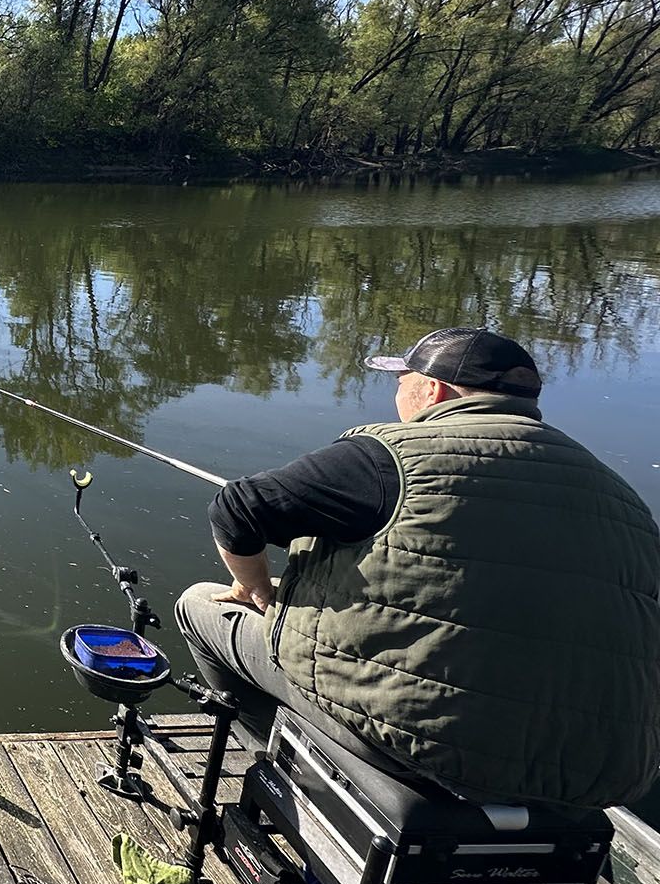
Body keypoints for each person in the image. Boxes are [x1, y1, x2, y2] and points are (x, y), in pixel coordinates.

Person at [175, 326, 660, 810]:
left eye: (402, 379)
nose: (397, 393)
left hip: (423, 744)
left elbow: (237, 508)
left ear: (434, 390)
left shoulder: (391, 457)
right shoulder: (621, 496)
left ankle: (280, 778)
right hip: (601, 774)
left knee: (197, 605)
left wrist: (255, 588)